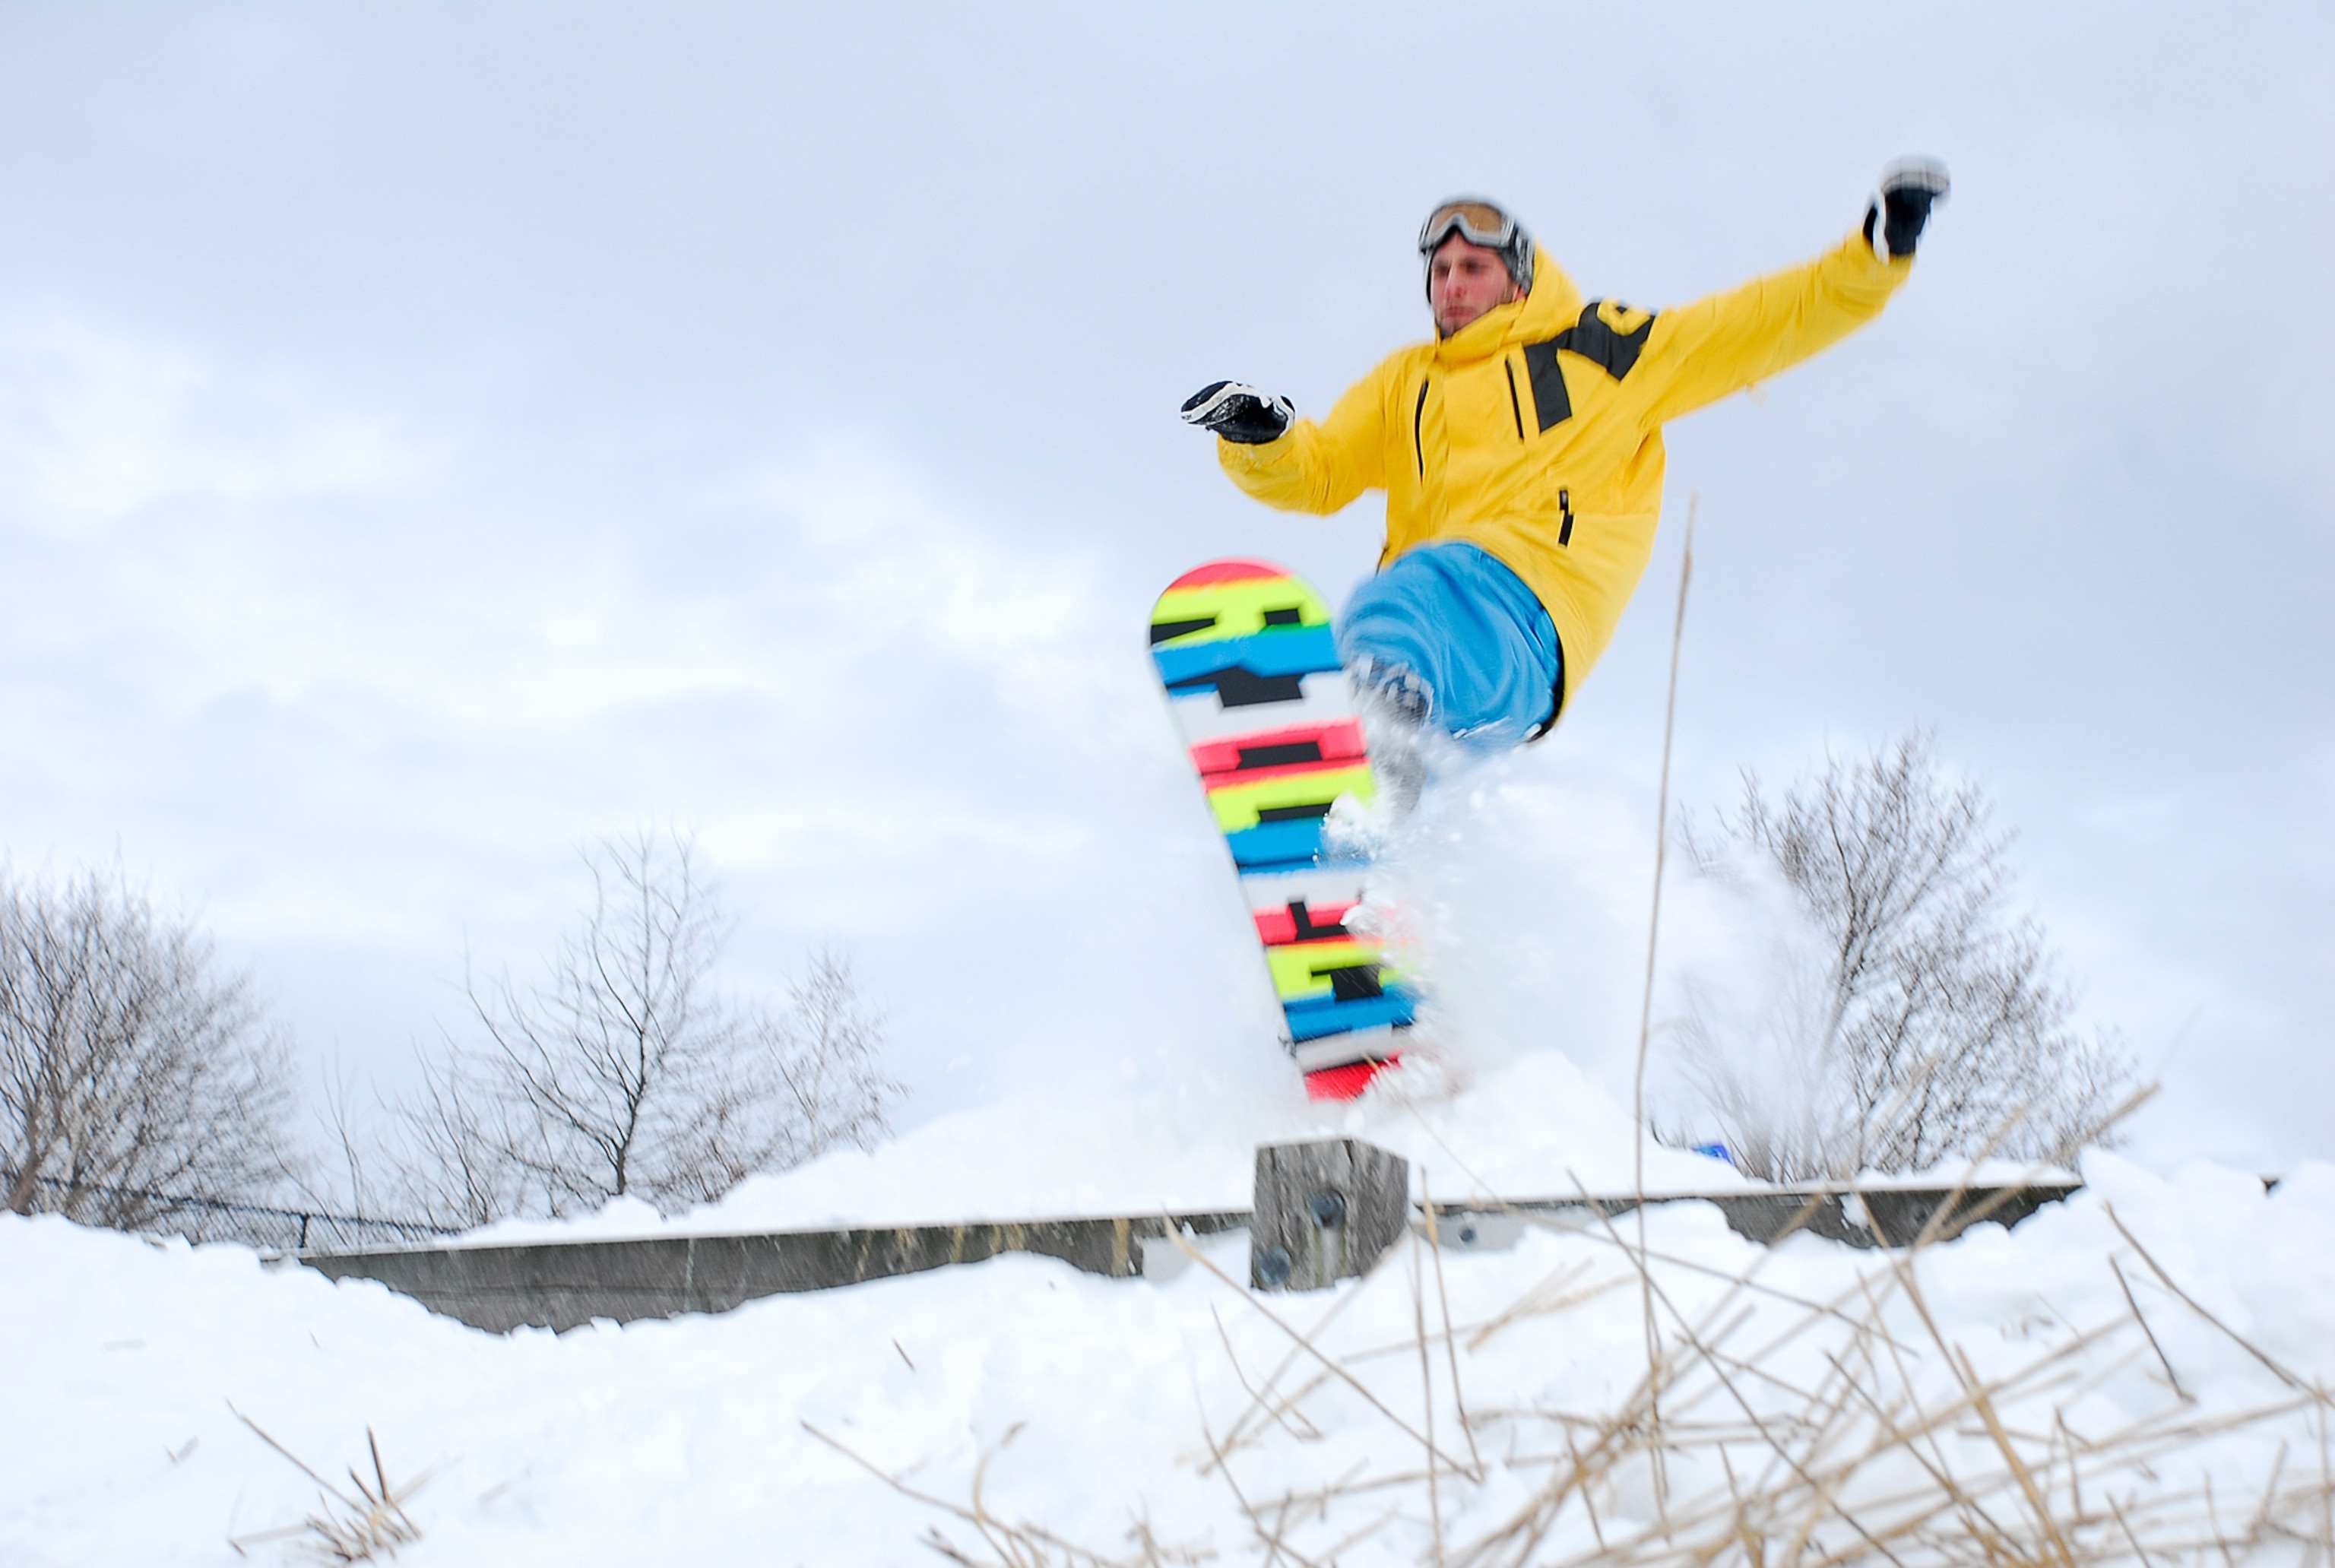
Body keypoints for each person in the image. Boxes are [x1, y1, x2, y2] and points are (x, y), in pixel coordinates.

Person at [1180, 160, 1950, 766]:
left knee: (1399, 607)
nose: (1452, 285)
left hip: (1527, 610)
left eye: (1472, 267)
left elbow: (1759, 323)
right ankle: (1379, 904)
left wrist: (1875, 257)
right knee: (1401, 700)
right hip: (1457, 672)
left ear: (1518, 275)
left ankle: (1363, 749)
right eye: (1440, 272)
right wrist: (1261, 437)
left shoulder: (1603, 349)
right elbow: (1320, 472)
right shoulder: (1405, 381)